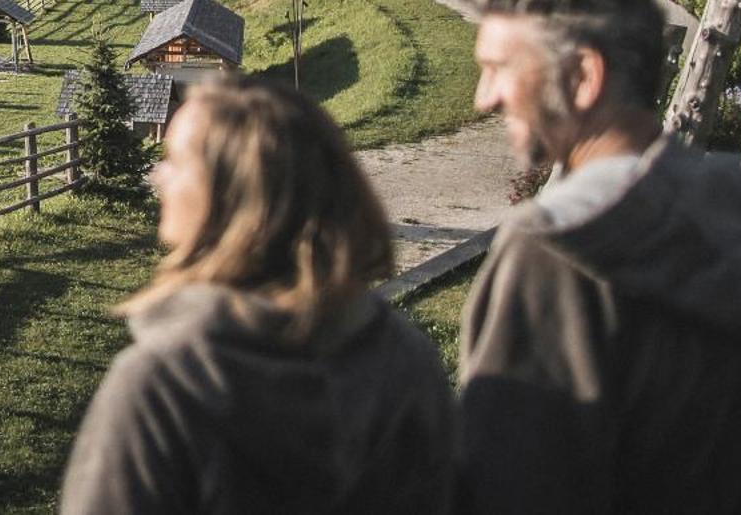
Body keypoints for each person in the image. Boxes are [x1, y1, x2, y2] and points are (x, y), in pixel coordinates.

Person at [458, 0, 741, 514]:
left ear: (581, 77)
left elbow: (513, 487)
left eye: (499, 69)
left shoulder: (553, 254)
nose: (485, 98)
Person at [61, 75, 454, 515]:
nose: (157, 177)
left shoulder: (167, 385)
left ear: (229, 196)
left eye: (175, 160)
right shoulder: (403, 357)